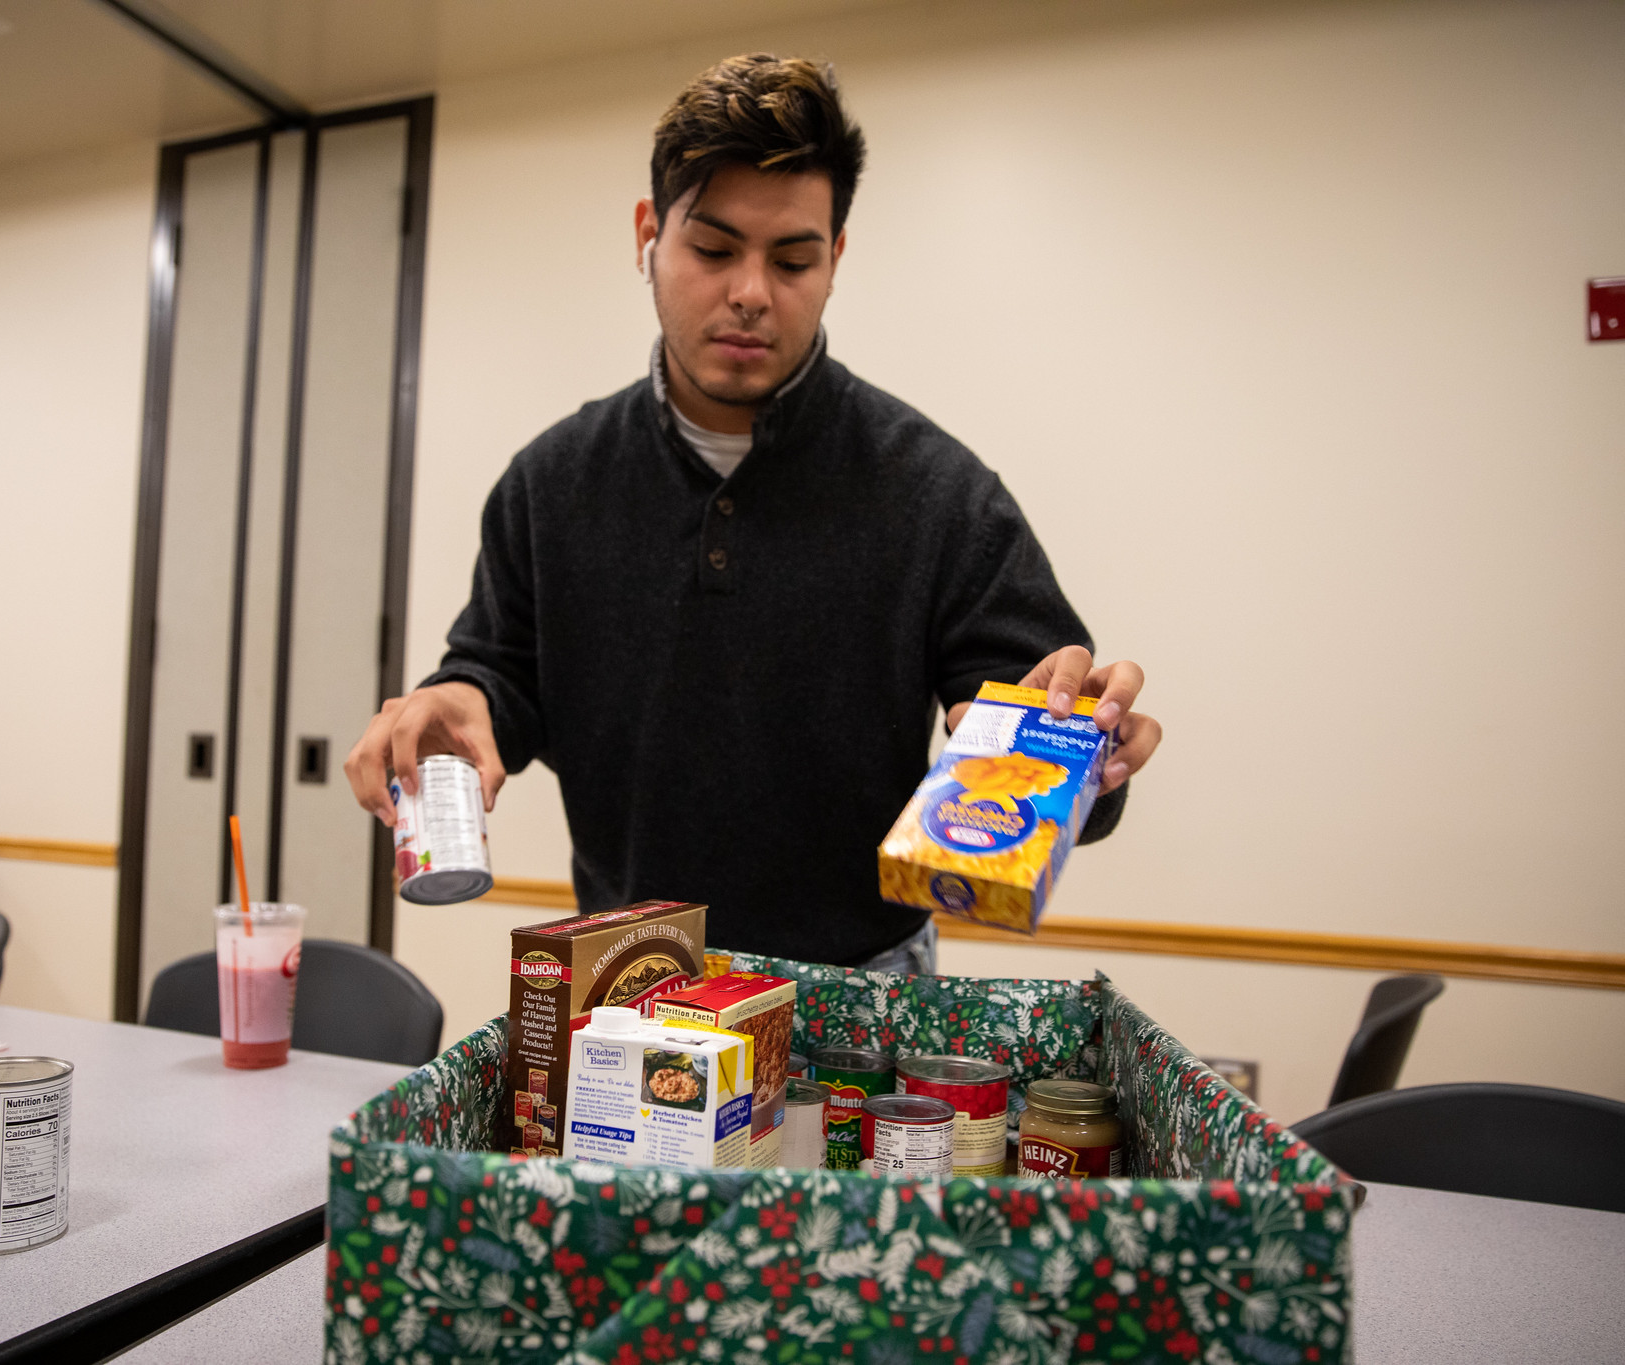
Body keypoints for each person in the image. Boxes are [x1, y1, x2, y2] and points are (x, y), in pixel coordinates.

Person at [347, 54, 1161, 972]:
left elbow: (1040, 734)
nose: (749, 293)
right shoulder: (551, 483)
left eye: (792, 258)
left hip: (861, 993)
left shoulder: (939, 492)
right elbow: (496, 679)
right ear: (649, 235)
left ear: (835, 260)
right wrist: (460, 699)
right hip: (629, 980)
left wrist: (1086, 752)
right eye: (713, 248)